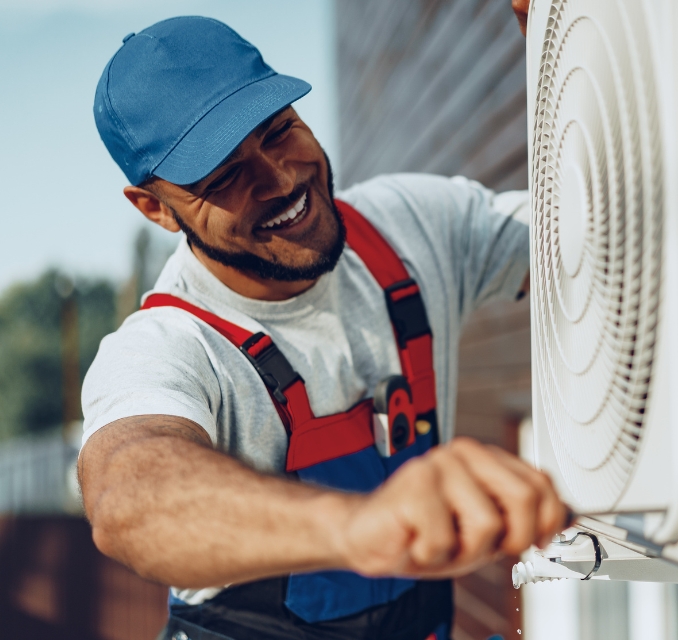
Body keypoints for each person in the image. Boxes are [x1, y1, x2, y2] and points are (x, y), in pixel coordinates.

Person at [79, 11, 564, 640]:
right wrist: (362, 526)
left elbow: (597, 239)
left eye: (279, 131)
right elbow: (129, 498)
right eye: (224, 176)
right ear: (155, 207)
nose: (280, 179)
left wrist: (559, 40)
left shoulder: (412, 227)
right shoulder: (169, 347)